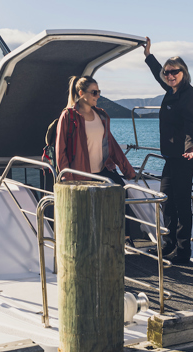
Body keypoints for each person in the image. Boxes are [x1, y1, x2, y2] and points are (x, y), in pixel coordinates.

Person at [55, 76, 139, 243]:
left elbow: (112, 145)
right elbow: (60, 149)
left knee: (122, 194)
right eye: (94, 92)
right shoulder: (69, 116)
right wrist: (67, 178)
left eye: (98, 92)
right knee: (87, 212)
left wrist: (128, 171)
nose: (98, 96)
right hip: (80, 174)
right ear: (81, 93)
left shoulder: (101, 115)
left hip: (103, 170)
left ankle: (125, 238)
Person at [143, 38, 193, 264]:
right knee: (167, 200)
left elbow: (191, 125)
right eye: (167, 73)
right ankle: (168, 244)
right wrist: (148, 56)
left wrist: (190, 148)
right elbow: (158, 72)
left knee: (180, 201)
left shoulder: (189, 95)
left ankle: (183, 250)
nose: (169, 75)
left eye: (174, 72)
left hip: (187, 155)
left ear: (183, 72)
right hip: (172, 156)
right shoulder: (171, 89)